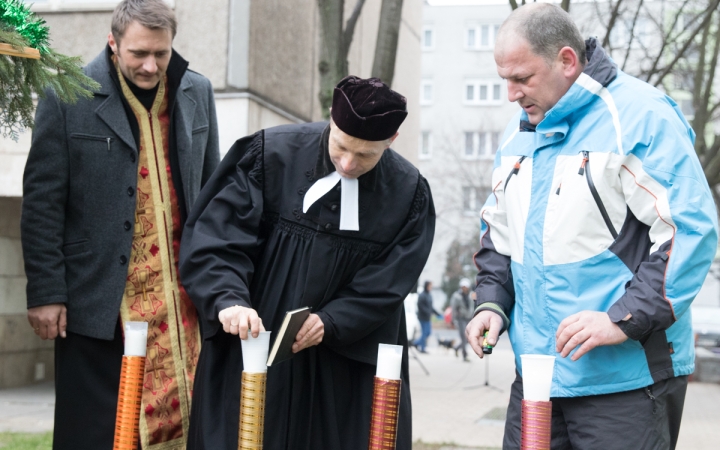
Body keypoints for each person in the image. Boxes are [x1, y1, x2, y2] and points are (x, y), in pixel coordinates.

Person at [465, 4, 718, 449]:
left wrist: (620, 320)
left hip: (625, 381)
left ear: (566, 61)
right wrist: (492, 304)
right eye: (505, 79)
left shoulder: (642, 115)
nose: (511, 94)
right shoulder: (515, 133)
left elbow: (690, 233)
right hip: (538, 378)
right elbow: (499, 234)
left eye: (522, 78)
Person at [179, 75, 435, 449]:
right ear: (331, 121)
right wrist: (228, 299)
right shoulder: (270, 154)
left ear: (391, 142)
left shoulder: (408, 191)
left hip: (347, 358)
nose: (348, 164)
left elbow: (390, 279)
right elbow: (217, 238)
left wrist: (332, 321)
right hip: (258, 339)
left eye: (366, 155)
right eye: (341, 147)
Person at [20, 1, 220, 448]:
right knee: (95, 431)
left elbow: (213, 194)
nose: (151, 66)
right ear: (114, 43)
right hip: (97, 302)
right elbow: (42, 203)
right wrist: (46, 292)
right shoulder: (65, 95)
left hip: (183, 306)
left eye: (161, 54)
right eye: (138, 54)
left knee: (195, 428)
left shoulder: (197, 91)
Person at [412, 281, 441, 353]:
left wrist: (437, 313)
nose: (430, 288)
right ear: (426, 286)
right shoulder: (422, 295)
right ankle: (422, 348)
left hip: (427, 318)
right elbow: (420, 306)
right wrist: (428, 312)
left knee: (428, 332)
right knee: (424, 333)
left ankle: (416, 343)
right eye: (430, 286)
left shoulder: (429, 295)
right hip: (422, 317)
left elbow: (431, 307)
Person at [450, 278, 474, 361]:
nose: (464, 288)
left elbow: (476, 304)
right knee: (464, 337)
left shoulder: (472, 294)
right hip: (461, 319)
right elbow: (453, 309)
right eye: (463, 286)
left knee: (469, 337)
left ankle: (457, 347)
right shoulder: (456, 296)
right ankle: (465, 355)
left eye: (466, 286)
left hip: (469, 318)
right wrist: (452, 320)